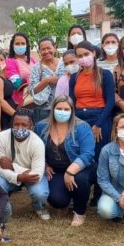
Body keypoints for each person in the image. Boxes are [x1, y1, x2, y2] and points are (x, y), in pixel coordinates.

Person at [36, 96, 96, 226]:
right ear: (53, 109)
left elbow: (88, 154)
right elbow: (36, 150)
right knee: (57, 200)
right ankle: (68, 199)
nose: (62, 112)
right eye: (59, 108)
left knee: (79, 179)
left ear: (72, 110)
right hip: (56, 170)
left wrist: (70, 172)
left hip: (81, 167)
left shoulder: (82, 127)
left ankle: (79, 212)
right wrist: (45, 165)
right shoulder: (41, 126)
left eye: (66, 109)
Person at [69, 40, 116, 192]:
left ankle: (99, 193)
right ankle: (82, 189)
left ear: (94, 53)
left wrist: (99, 125)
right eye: (80, 56)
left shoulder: (105, 74)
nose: (83, 58)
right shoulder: (75, 77)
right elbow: (72, 101)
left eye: (86, 54)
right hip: (80, 119)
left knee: (99, 156)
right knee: (82, 154)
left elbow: (110, 102)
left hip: (100, 117)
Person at [0, 109, 50, 220]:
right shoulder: (1, 137)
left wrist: (13, 166)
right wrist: (18, 176)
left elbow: (37, 174)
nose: (19, 128)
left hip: (30, 176)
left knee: (40, 193)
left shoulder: (37, 143)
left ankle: (39, 207)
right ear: (11, 124)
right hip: (12, 173)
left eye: (24, 125)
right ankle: (3, 208)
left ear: (31, 126)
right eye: (16, 124)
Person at [28, 37, 64, 125]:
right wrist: (46, 81)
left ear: (54, 47)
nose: (46, 51)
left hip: (63, 108)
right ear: (39, 51)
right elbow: (32, 90)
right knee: (43, 135)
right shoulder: (37, 68)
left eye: (49, 48)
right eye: (43, 49)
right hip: (44, 110)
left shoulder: (63, 63)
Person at [0, 48, 17, 133]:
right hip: (4, 116)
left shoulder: (3, 76)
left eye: (1, 60)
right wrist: (16, 115)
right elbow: (0, 101)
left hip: (9, 115)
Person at [4, 32, 33, 107]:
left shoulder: (33, 59)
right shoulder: (9, 62)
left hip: (37, 101)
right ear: (12, 46)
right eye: (17, 44)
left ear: (27, 45)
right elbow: (17, 84)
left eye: (23, 43)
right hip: (22, 103)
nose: (20, 46)